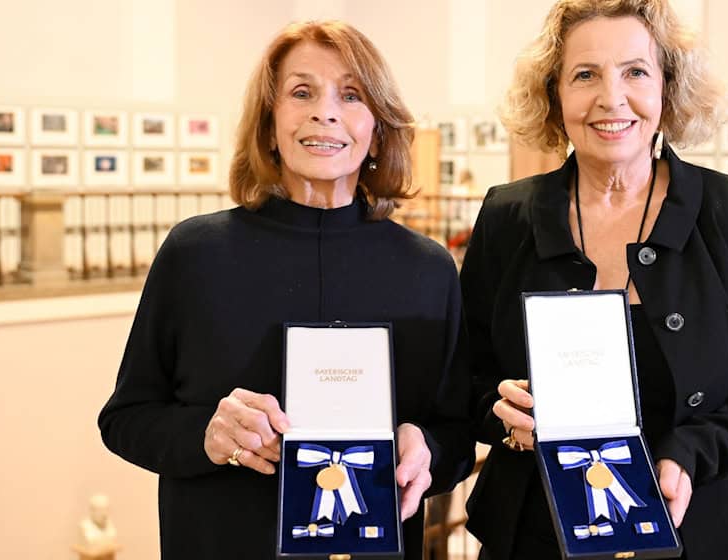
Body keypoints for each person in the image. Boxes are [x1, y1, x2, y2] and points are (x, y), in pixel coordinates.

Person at [98, 20, 474, 559]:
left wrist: (429, 448)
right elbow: (125, 419)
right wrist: (207, 434)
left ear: (377, 128)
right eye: (301, 92)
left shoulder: (428, 269)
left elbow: (457, 433)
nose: (326, 111)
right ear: (269, 123)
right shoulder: (195, 253)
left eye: (351, 95)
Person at [459, 1, 728, 559]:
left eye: (635, 72)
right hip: (534, 530)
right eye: (585, 75)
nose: (611, 98)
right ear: (555, 94)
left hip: (699, 524)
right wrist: (496, 411)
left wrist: (691, 453)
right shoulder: (508, 215)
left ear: (667, 88)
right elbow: (469, 376)